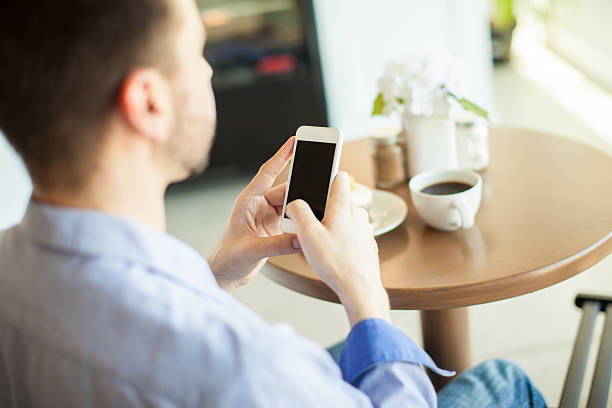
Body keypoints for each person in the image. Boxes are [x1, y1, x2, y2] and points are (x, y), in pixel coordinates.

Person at [0, 0, 548, 407]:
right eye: (196, 51)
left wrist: (219, 272)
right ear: (148, 102)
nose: (210, 69)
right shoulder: (245, 368)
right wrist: (365, 296)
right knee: (501, 381)